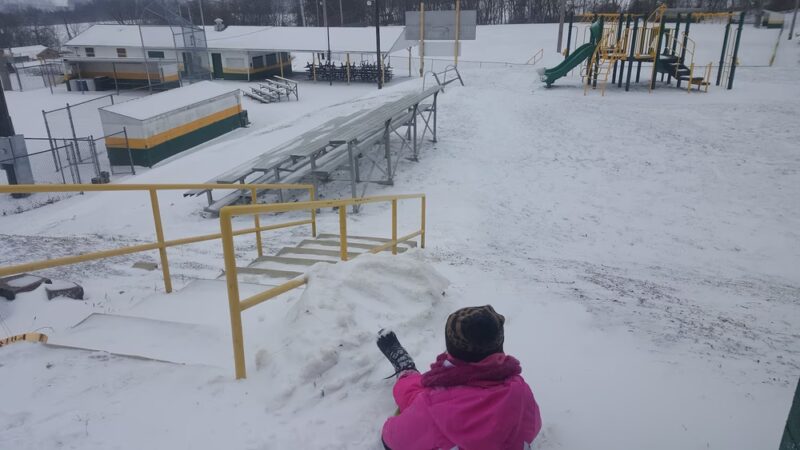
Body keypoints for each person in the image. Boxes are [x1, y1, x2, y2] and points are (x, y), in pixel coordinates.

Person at [376, 305, 542, 450]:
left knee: (420, 395)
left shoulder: (434, 406)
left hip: (436, 410)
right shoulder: (520, 389)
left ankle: (406, 371)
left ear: (451, 350)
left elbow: (391, 440)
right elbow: (533, 426)